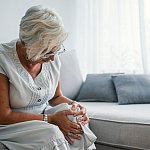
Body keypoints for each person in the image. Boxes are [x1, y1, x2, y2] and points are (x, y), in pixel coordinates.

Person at [0, 5, 96, 150]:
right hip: (11, 125)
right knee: (52, 133)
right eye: (46, 52)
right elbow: (4, 115)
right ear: (28, 44)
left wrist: (76, 106)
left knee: (75, 121)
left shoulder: (52, 57)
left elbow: (56, 97)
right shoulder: (3, 59)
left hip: (42, 115)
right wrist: (50, 119)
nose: (52, 59)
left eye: (56, 50)